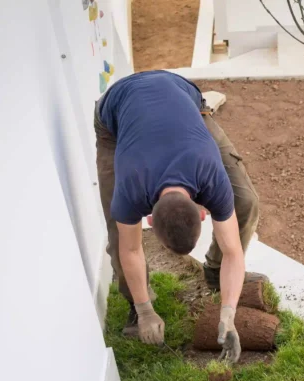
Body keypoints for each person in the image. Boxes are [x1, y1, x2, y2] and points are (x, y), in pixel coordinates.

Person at [94, 70, 265, 359]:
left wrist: (228, 314)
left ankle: (215, 274)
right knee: (118, 232)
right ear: (147, 218)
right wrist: (145, 309)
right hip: (116, 112)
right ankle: (138, 308)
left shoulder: (211, 177)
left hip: (181, 95)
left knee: (245, 200)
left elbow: (234, 252)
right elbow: (132, 248)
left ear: (202, 211)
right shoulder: (131, 189)